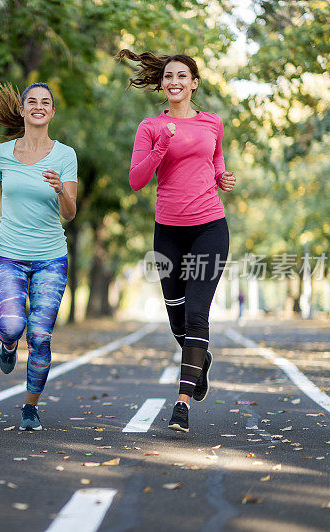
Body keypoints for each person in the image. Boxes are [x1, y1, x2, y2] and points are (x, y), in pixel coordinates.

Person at [117, 50, 237, 433]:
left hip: (209, 227)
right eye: (169, 76)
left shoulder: (212, 122)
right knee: (176, 316)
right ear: (162, 83)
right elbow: (137, 179)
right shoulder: (150, 126)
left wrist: (222, 178)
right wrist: (161, 147)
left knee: (197, 313)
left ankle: (182, 404)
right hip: (168, 231)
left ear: (194, 83)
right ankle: (199, 362)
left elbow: (215, 160)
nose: (175, 82)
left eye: (182, 76)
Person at [0, 82, 78, 431]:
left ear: (52, 112)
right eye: (31, 102)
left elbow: (70, 212)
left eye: (45, 102)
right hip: (8, 253)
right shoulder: (2, 154)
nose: (38, 106)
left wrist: (60, 188)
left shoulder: (65, 156)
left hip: (51, 256)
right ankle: (7, 344)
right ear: (22, 110)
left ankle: (30, 407)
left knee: (40, 336)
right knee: (13, 326)